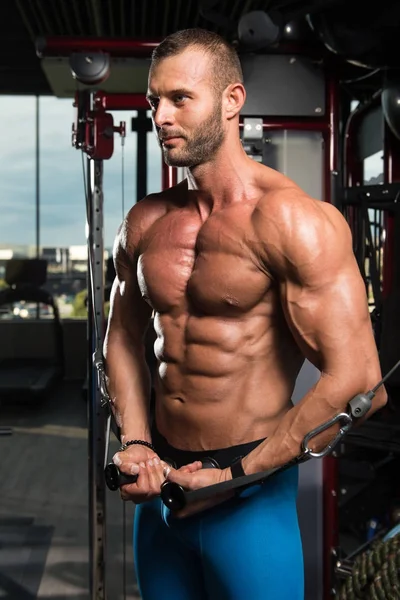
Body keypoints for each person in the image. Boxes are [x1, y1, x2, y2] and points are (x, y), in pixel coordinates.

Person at [103, 28, 387, 600]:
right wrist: (136, 442)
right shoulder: (144, 222)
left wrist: (232, 477)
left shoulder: (292, 221)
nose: (160, 115)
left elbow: (360, 380)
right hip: (162, 494)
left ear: (232, 101)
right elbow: (123, 337)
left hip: (250, 499)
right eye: (154, 99)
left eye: (181, 98)